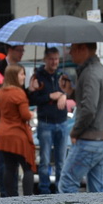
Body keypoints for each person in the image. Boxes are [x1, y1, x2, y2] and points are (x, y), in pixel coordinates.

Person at [58, 41, 103, 193]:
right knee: (97, 189)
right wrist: (71, 92)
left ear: (84, 49)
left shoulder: (90, 73)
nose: (70, 52)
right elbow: (92, 102)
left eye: (73, 48)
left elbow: (89, 109)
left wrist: (75, 131)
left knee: (67, 182)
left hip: (91, 140)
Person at [27, 46, 70, 193]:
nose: (54, 62)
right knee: (45, 160)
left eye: (56, 59)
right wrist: (49, 97)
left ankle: (60, 190)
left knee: (61, 161)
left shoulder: (62, 75)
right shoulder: (38, 77)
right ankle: (44, 189)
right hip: (45, 123)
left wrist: (64, 95)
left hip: (62, 122)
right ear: (45, 59)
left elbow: (70, 91)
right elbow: (31, 99)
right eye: (51, 59)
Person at [0, 64, 37, 197]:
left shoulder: (0, 92)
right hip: (18, 136)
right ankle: (27, 198)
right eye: (21, 74)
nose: (24, 77)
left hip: (3, 135)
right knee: (28, 167)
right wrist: (32, 114)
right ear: (14, 76)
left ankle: (10, 198)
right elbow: (24, 115)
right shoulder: (18, 93)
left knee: (9, 167)